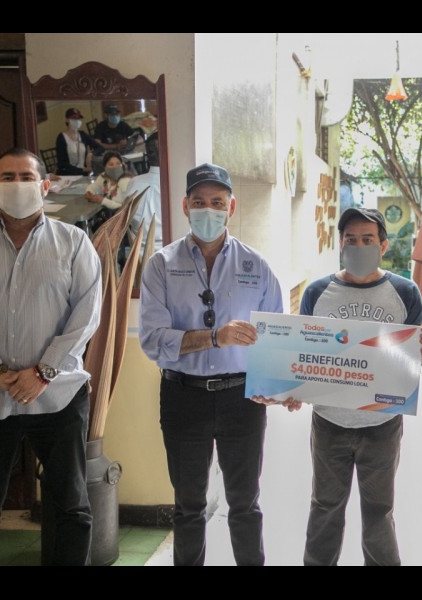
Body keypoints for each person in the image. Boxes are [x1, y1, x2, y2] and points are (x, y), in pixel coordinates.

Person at [0, 147, 102, 566]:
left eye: (26, 177)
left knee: (71, 506)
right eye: (7, 177)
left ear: (44, 186)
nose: (17, 184)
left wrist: (43, 372)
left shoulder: (73, 242)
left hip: (58, 395)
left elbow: (87, 313)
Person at [139, 162, 290, 566]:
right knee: (189, 505)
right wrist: (213, 337)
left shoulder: (257, 266)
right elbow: (153, 340)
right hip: (182, 396)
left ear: (231, 207)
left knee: (245, 503)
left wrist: (284, 387)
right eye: (200, 202)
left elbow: (277, 337)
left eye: (218, 202)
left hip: (242, 398)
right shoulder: (161, 265)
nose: (209, 210)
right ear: (185, 206)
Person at [298, 207, 422, 566]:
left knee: (379, 511)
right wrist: (291, 389)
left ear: (383, 246)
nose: (358, 246)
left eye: (367, 240)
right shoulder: (317, 292)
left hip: (382, 423)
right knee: (325, 507)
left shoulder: (405, 292)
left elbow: (412, 362)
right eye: (351, 240)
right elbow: (302, 352)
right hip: (329, 422)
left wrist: (420, 350)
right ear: (340, 244)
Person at [126, 131, 162, 259]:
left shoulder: (134, 183)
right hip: (173, 252)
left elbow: (127, 219)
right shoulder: (178, 183)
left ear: (147, 155)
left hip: (138, 257)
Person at [55, 107, 101, 175]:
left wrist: (91, 154)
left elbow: (99, 147)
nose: (77, 121)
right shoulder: (61, 138)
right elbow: (62, 164)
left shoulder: (82, 135)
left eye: (78, 118)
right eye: (74, 118)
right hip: (69, 174)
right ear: (67, 119)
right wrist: (82, 170)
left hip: (84, 173)